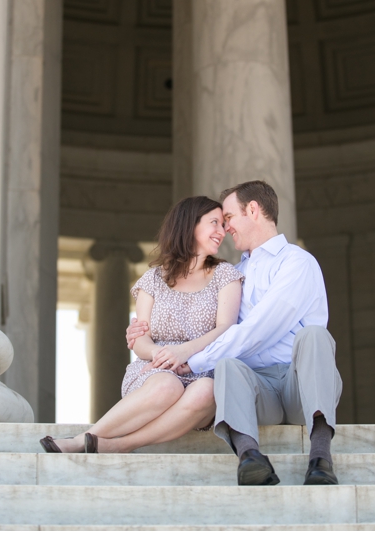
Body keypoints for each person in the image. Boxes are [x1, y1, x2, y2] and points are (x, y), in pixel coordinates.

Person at [127, 180, 342, 487]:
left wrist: (194, 358)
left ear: (252, 210)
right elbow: (215, 327)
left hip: (299, 388)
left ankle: (321, 457)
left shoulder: (297, 262)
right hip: (258, 391)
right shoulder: (232, 274)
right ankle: (251, 458)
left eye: (228, 217)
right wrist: (141, 332)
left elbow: (260, 329)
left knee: (315, 337)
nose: (225, 228)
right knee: (227, 366)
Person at [40, 196, 243, 454]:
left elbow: (226, 328)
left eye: (223, 224)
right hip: (157, 370)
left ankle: (119, 445)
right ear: (190, 224)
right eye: (214, 222)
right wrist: (160, 354)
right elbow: (140, 338)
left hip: (204, 367)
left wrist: (184, 352)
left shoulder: (226, 274)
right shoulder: (153, 279)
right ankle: (83, 439)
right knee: (166, 385)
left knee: (208, 391)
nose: (222, 231)